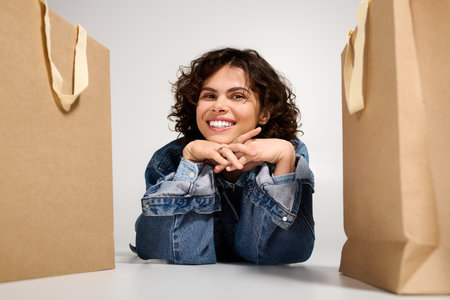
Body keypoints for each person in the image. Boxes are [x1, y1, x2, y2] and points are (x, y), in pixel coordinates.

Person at [132, 48, 315, 265]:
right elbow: (172, 250)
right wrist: (190, 165)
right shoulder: (169, 160)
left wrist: (284, 162)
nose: (218, 106)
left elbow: (281, 253)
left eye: (237, 96)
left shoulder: (288, 153)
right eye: (209, 96)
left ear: (264, 113)